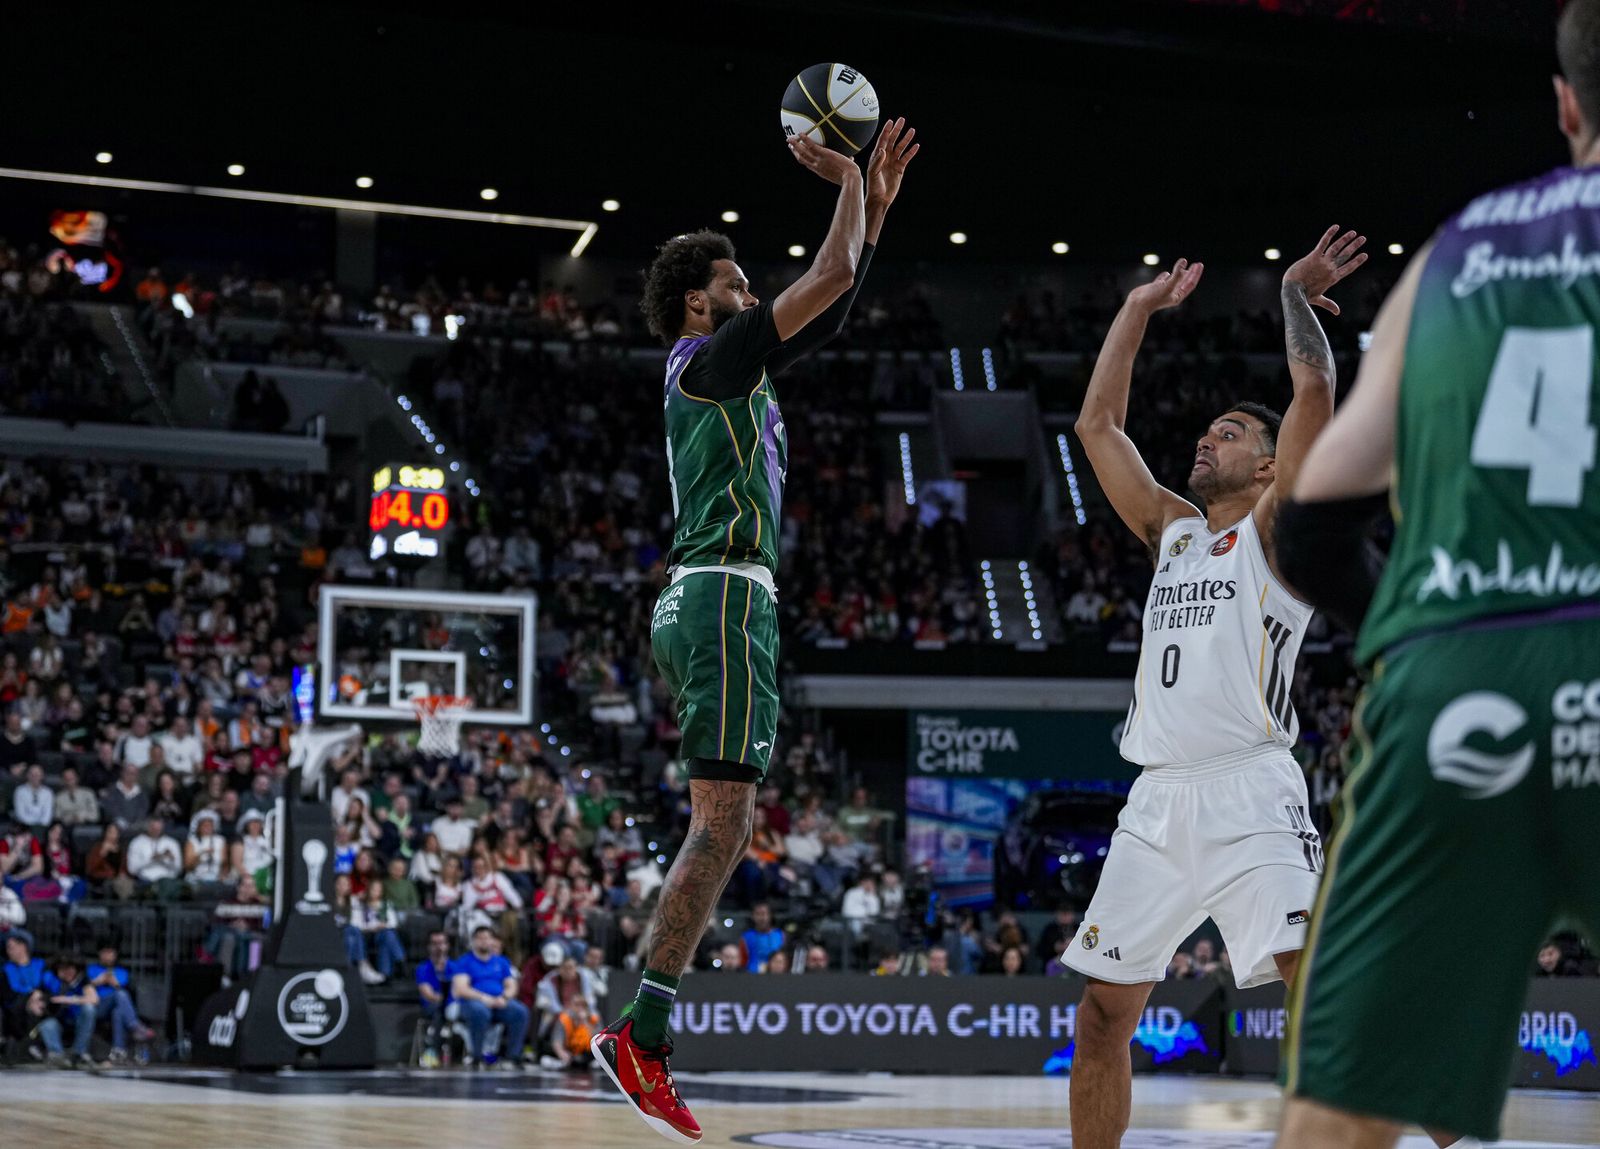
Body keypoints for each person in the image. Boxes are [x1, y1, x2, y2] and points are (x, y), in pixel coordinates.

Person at [1270, 8, 1600, 1145]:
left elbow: (1308, 530)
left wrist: (1412, 630)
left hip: (1455, 675)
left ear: (1566, 104)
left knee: (1340, 1108)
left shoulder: (1459, 251)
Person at [592, 117, 920, 1146]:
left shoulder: (730, 364)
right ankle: (642, 1037)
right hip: (726, 597)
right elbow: (822, 279)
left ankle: (643, 1033)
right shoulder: (711, 356)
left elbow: (835, 299)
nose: (752, 293)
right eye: (739, 283)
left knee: (725, 822)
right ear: (704, 298)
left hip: (716, 597)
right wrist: (840, 180)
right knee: (723, 824)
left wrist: (875, 206)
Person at [1061, 218, 1388, 1148]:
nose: (1208, 439)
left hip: (1250, 788)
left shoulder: (1281, 527)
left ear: (1271, 464)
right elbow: (1098, 425)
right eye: (1208, 430)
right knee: (1099, 1019)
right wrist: (1135, 309)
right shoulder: (1171, 529)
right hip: (1157, 800)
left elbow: (1316, 385)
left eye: (1231, 433)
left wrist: (1292, 293)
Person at [449, 924, 530, 1069]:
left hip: (498, 1001)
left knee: (520, 1011)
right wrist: (483, 998)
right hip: (472, 1002)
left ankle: (513, 1057)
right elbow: (461, 988)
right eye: (480, 938)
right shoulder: (464, 962)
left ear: (492, 941)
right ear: (473, 941)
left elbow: (512, 985)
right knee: (480, 1012)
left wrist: (504, 997)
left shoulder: (501, 961)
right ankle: (477, 1056)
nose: (484, 942)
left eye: (487, 938)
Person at [86, 943, 156, 1063]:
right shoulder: (91, 969)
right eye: (105, 952)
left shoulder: (121, 971)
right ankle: (135, 1026)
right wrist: (98, 981)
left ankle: (119, 1050)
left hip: (116, 1007)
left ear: (115, 955)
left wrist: (114, 982)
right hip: (97, 1006)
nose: (108, 955)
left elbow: (124, 988)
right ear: (100, 954)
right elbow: (84, 987)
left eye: (110, 952)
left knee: (118, 1011)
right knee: (120, 995)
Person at [415, 930, 453, 1068]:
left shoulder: (455, 967)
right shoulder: (423, 968)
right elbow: (428, 994)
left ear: (447, 945)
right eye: (435, 944)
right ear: (429, 947)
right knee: (439, 1010)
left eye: (442, 943)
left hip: (454, 1007)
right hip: (431, 1007)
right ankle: (432, 1052)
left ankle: (479, 1054)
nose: (439, 947)